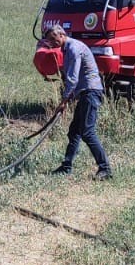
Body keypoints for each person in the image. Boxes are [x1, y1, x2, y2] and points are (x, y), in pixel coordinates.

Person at [47, 23, 111, 179]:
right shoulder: (67, 49)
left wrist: (63, 102)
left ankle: (105, 169)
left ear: (61, 35)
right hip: (84, 93)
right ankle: (66, 166)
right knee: (74, 131)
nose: (52, 43)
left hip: (91, 92)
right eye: (49, 40)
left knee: (87, 132)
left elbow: (73, 79)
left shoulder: (74, 48)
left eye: (53, 39)